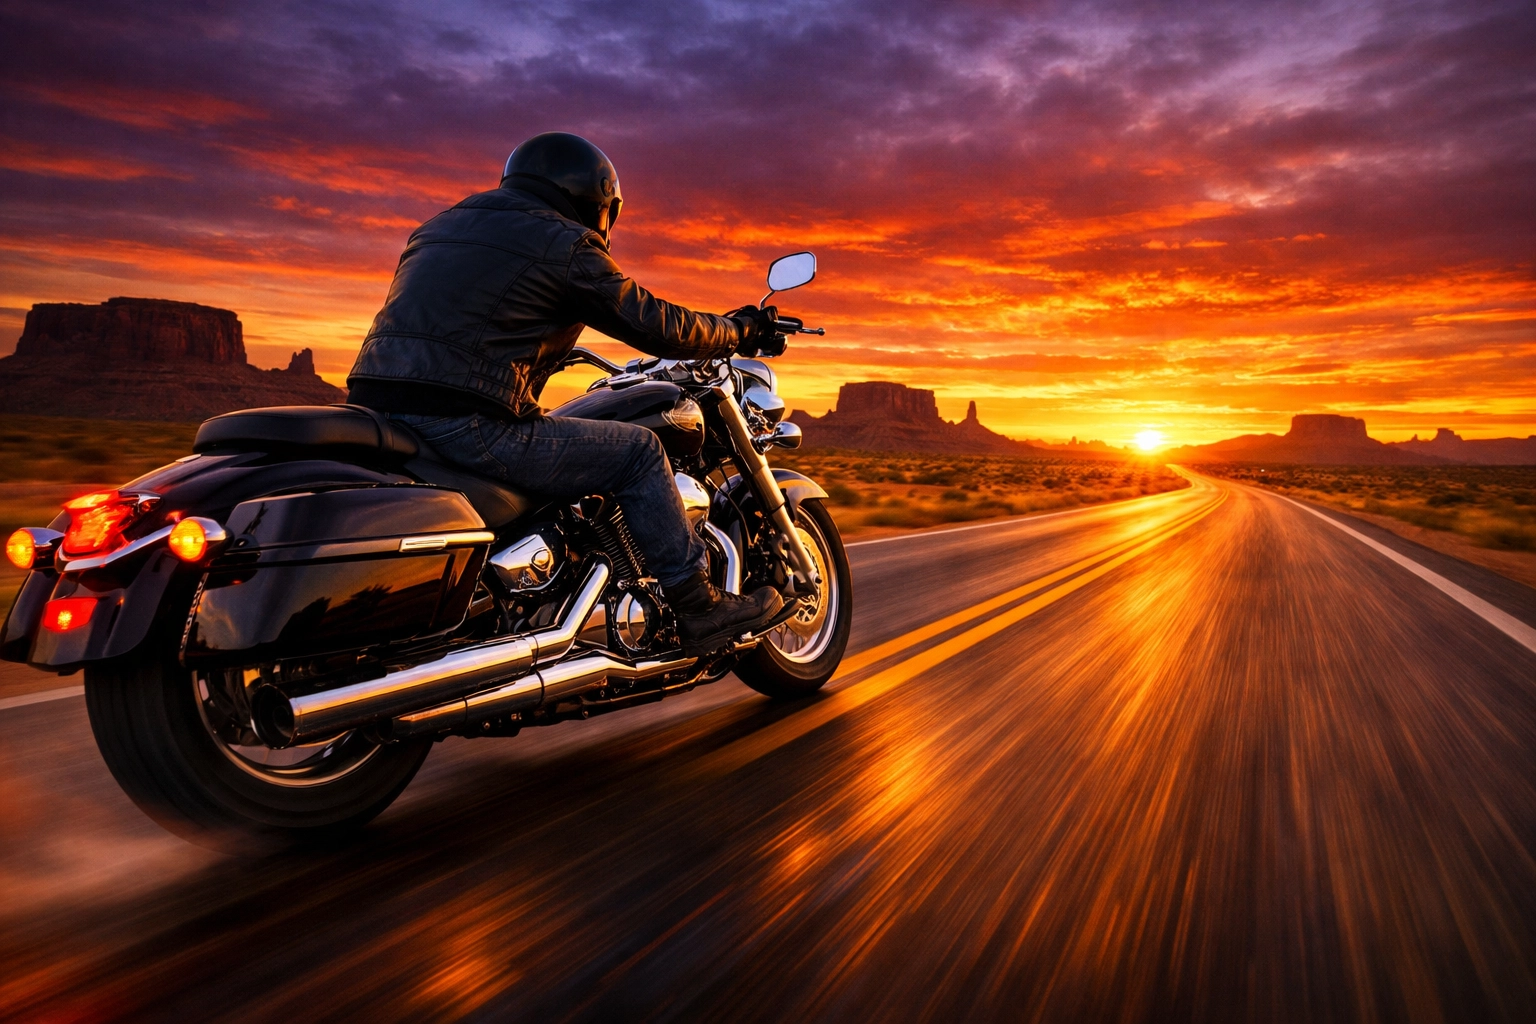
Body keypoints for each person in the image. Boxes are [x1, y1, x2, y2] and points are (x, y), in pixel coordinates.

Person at [347, 132, 785, 654]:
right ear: (597, 201)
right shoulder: (562, 241)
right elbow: (652, 322)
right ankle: (698, 606)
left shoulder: (439, 226)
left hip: (378, 413)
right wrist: (738, 331)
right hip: (468, 424)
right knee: (639, 452)